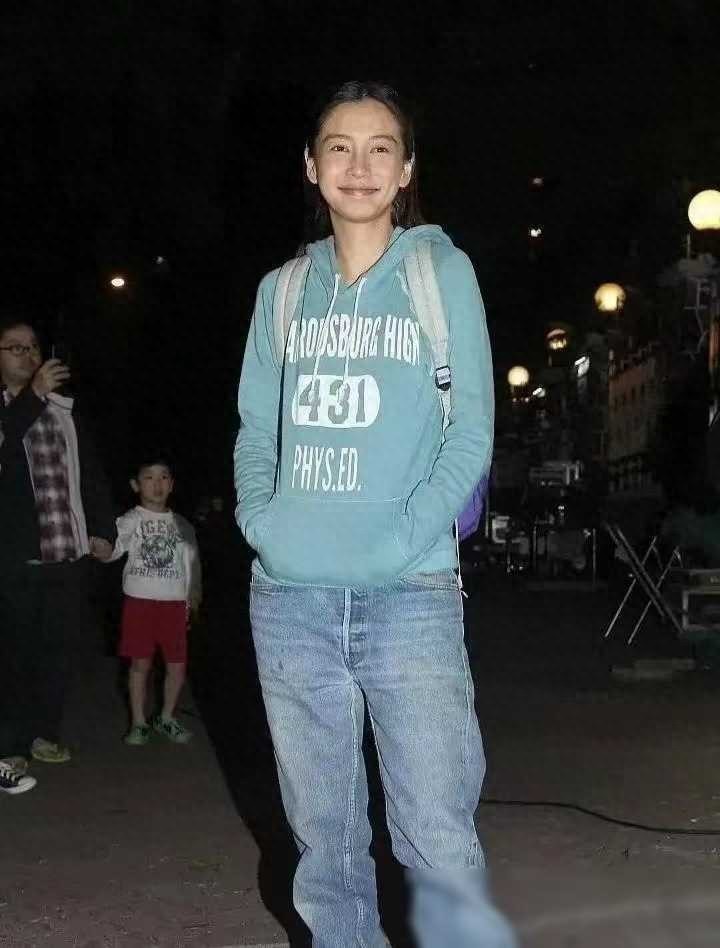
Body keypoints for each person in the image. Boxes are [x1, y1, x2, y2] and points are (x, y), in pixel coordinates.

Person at [234, 82, 516, 947]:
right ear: (311, 165)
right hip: (291, 599)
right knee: (324, 847)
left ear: (406, 170)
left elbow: (472, 431)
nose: (359, 165)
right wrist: (265, 525)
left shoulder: (440, 274)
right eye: (340, 147)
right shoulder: (283, 292)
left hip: (410, 596)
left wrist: (404, 536)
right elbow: (256, 430)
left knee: (436, 837)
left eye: (380, 147)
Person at [0, 315, 115, 782]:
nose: (28, 354)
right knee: (15, 655)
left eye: (32, 347)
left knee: (58, 652)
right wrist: (32, 396)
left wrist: (103, 529)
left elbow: (91, 474)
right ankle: (10, 746)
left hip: (67, 554)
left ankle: (44, 733)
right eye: (15, 347)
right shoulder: (13, 409)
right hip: (15, 558)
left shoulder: (63, 410)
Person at [110, 457, 202, 746]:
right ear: (136, 485)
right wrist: (100, 547)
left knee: (177, 665)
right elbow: (114, 548)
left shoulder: (183, 525)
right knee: (140, 664)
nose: (157, 484)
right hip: (139, 604)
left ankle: (166, 716)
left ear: (171, 484)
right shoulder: (130, 519)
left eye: (163, 477)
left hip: (174, 605)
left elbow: (192, 566)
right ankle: (138, 722)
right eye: (149, 477)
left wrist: (192, 600)